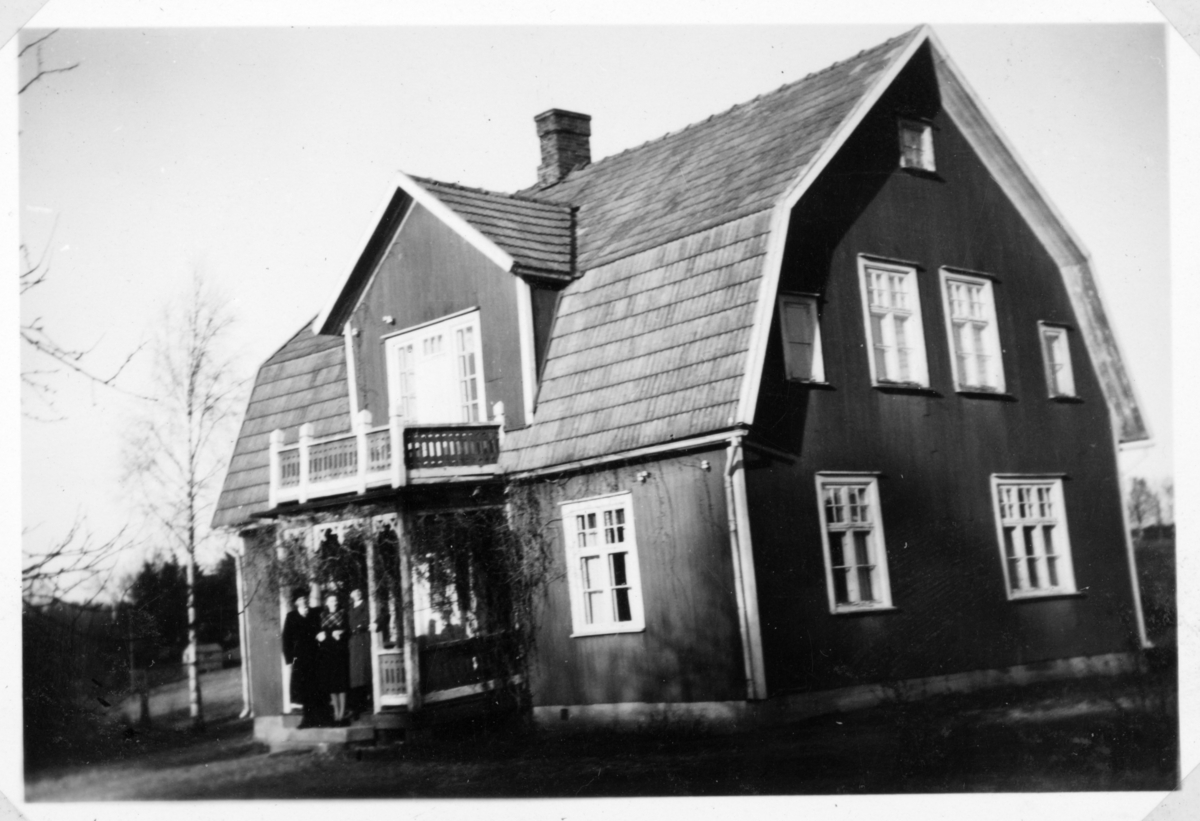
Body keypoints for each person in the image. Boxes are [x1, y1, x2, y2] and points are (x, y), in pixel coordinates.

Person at [281, 588, 323, 728]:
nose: (303, 601)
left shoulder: (315, 613)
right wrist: (289, 659)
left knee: (315, 686)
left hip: (315, 655)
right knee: (303, 687)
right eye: (299, 599)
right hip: (299, 657)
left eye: (304, 598)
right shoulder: (291, 616)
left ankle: (318, 718)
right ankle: (307, 719)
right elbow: (286, 639)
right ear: (296, 602)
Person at [317, 590, 350, 724]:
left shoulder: (342, 614)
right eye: (331, 600)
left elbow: (348, 630)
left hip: (340, 652)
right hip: (327, 652)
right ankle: (336, 713)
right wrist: (320, 636)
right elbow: (319, 632)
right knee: (331, 684)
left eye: (335, 600)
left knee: (341, 683)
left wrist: (341, 633)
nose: (334, 603)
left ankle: (342, 714)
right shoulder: (322, 616)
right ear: (326, 603)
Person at [347, 587, 372, 718]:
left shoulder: (366, 605)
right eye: (354, 591)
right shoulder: (350, 608)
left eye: (359, 591)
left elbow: (369, 619)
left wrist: (361, 626)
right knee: (354, 674)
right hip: (353, 640)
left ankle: (363, 704)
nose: (357, 593)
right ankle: (356, 705)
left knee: (363, 671)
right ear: (351, 594)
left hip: (363, 639)